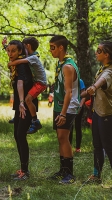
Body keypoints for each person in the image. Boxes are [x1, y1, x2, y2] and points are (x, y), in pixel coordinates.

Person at [47, 35, 80, 184]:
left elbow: (69, 92)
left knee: (64, 138)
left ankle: (70, 174)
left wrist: (63, 113)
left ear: (61, 48)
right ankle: (63, 170)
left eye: (53, 47)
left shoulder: (68, 66)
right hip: (60, 105)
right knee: (60, 138)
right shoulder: (61, 64)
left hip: (67, 107)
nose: (50, 50)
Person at [6, 40, 38, 180]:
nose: (10, 53)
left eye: (13, 51)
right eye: (8, 50)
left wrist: (20, 103)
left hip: (25, 103)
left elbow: (20, 83)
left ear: (20, 51)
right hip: (20, 104)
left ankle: (25, 171)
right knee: (17, 135)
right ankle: (23, 169)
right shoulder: (17, 63)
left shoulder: (23, 65)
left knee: (20, 135)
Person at [84, 41, 112, 184]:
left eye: (99, 51)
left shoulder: (109, 71)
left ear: (107, 54)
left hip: (106, 115)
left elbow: (102, 81)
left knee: (108, 146)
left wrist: (94, 87)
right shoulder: (102, 68)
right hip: (97, 112)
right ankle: (96, 175)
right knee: (97, 145)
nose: (96, 53)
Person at [8, 37, 47, 134]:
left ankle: (35, 121)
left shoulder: (33, 57)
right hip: (37, 82)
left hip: (40, 83)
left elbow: (19, 61)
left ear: (27, 46)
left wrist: (10, 63)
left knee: (27, 99)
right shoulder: (31, 56)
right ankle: (17, 116)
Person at [69, 79, 86, 152]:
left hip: (78, 106)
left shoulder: (80, 81)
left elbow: (84, 95)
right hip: (69, 107)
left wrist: (80, 106)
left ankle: (78, 147)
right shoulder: (67, 80)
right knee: (69, 127)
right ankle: (68, 146)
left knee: (77, 126)